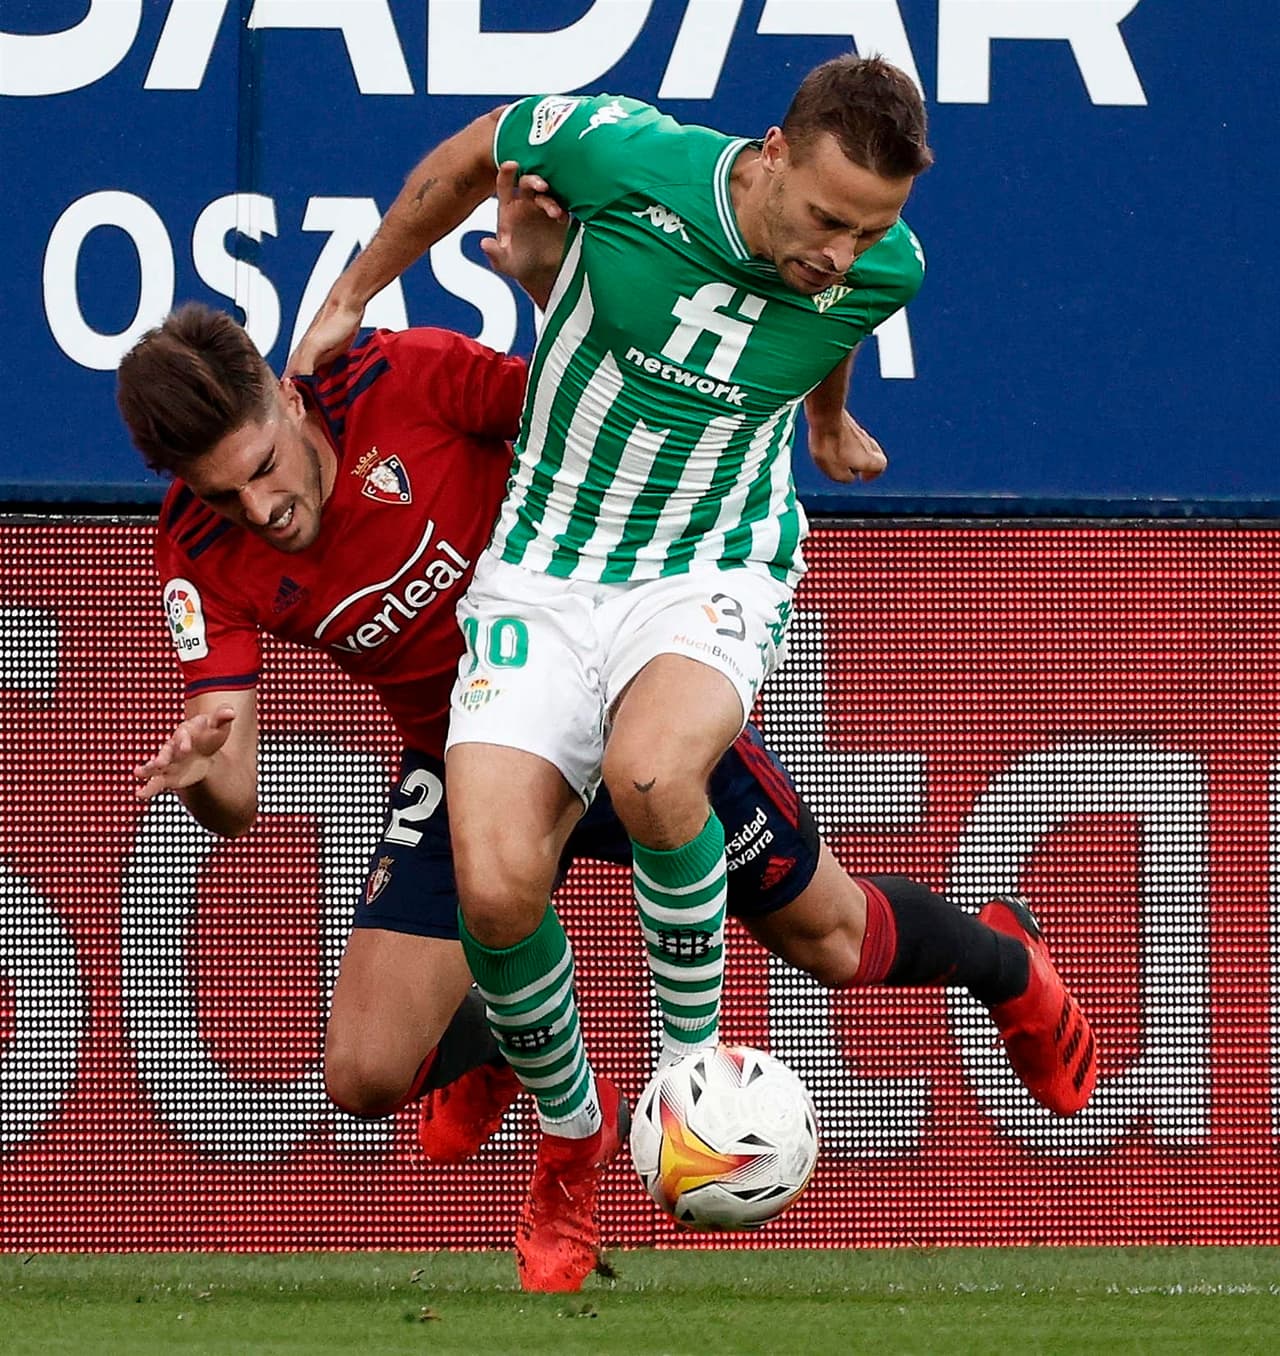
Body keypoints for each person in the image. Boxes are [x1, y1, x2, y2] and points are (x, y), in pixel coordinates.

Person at [122, 177, 1094, 1297]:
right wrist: (205, 767)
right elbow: (235, 796)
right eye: (221, 495)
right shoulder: (198, 548)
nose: (259, 513)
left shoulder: (410, 378)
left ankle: (1001, 959)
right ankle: (516, 1071)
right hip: (468, 750)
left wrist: (552, 285)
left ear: (287, 401)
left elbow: (588, 428)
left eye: (259, 473)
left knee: (830, 941)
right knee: (364, 1073)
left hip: (611, 687)